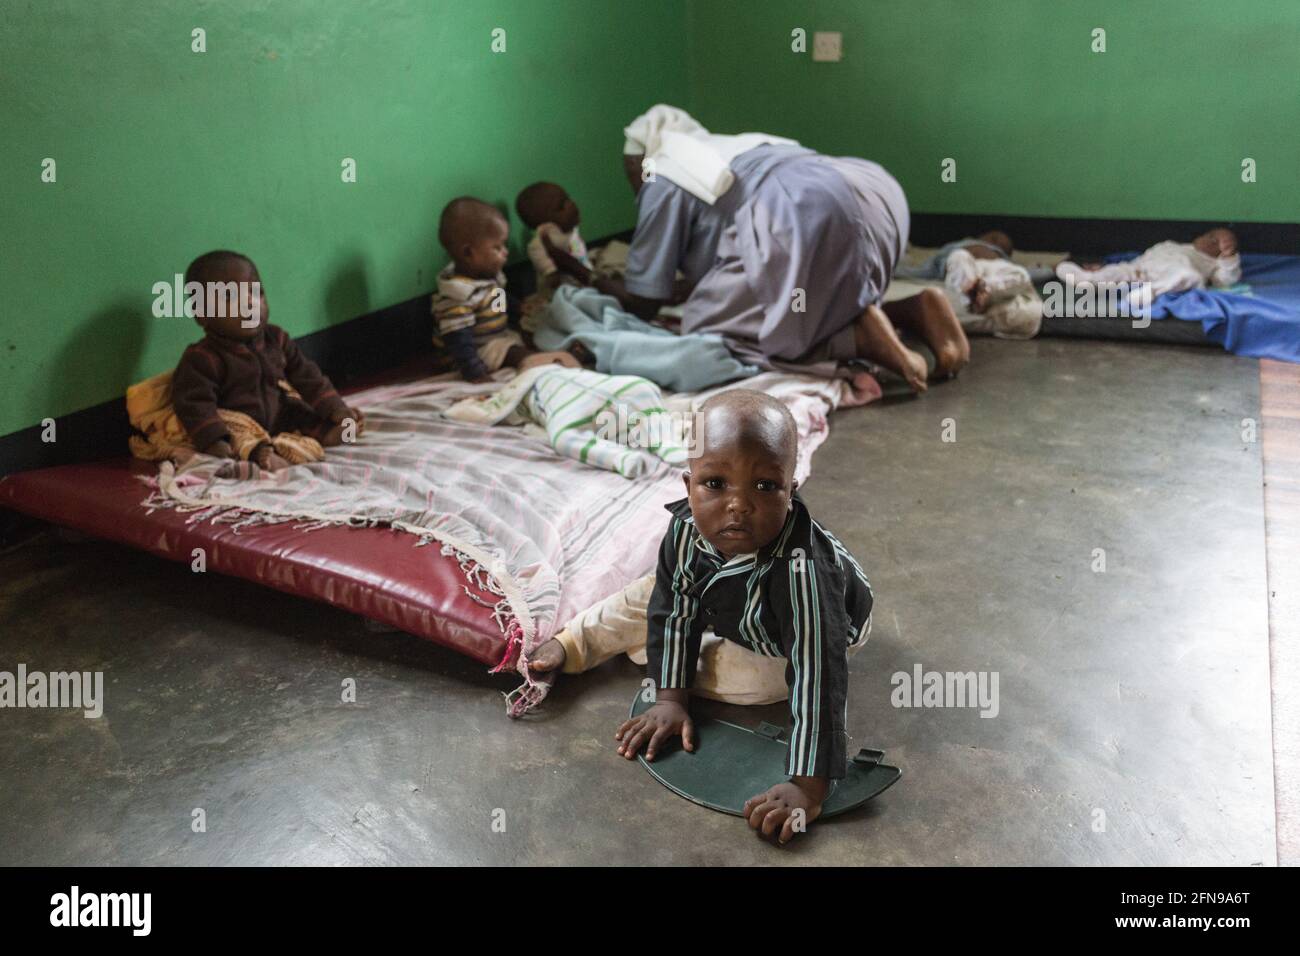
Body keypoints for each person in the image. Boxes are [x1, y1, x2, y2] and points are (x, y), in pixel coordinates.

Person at [531, 389, 873, 843]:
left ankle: (653, 647)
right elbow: (672, 606)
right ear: (688, 485)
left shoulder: (804, 572)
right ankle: (577, 641)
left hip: (798, 636)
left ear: (791, 492)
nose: (739, 504)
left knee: (763, 685)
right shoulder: (686, 529)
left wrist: (809, 785)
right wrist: (671, 699)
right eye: (715, 484)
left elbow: (817, 672)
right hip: (728, 599)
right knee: (654, 593)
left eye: (765, 486)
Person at [548, 105, 971, 393]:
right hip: (871, 195)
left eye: (632, 180)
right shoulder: (736, 143)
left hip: (801, 216)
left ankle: (858, 337)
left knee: (715, 330)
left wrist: (589, 275)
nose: (636, 193)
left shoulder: (664, 171)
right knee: (796, 293)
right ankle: (913, 307)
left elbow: (643, 301)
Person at [171, 250, 363, 471]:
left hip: (278, 413)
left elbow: (308, 377)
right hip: (240, 420)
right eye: (230, 297)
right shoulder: (203, 357)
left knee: (299, 410)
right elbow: (194, 404)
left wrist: (335, 407)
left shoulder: (276, 339)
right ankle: (260, 455)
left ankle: (331, 433)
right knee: (233, 432)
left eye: (256, 293)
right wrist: (213, 440)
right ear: (202, 314)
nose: (250, 304)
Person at [432, 197, 579, 382]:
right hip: (470, 353)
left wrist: (518, 308)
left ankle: (557, 349)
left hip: (495, 337)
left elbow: (498, 299)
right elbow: (459, 342)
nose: (505, 252)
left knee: (531, 328)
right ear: (469, 253)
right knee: (510, 351)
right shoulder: (457, 296)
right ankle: (540, 364)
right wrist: (475, 374)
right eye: (497, 247)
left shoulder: (488, 277)